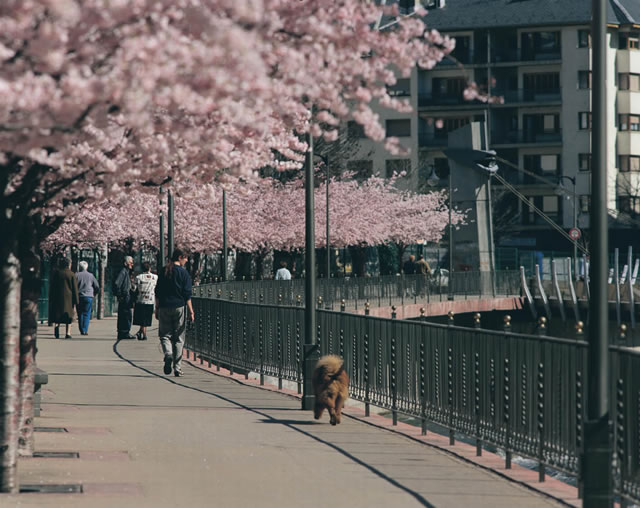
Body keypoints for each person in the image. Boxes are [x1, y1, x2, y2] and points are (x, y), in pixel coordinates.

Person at [155, 249, 194, 377]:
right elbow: (187, 294)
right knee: (179, 338)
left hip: (164, 306)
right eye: (186, 258)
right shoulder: (184, 273)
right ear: (180, 257)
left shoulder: (164, 271)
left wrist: (157, 307)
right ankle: (177, 368)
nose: (187, 261)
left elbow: (158, 291)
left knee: (165, 335)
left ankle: (168, 353)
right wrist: (191, 311)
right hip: (179, 306)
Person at [49, 258, 79, 339]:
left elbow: (52, 286)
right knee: (68, 316)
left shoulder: (57, 273)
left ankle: (56, 329)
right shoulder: (71, 274)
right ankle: (68, 333)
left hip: (57, 297)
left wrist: (51, 297)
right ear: (69, 264)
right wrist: (76, 301)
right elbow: (75, 288)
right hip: (69, 298)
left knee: (57, 314)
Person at [133, 262, 158, 341]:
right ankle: (143, 333)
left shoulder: (139, 277)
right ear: (149, 268)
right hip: (150, 300)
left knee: (142, 318)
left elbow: (134, 288)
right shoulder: (155, 277)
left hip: (140, 299)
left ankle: (143, 333)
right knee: (146, 318)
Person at [113, 255, 136, 340]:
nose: (132, 264)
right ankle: (125, 332)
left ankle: (123, 332)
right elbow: (117, 283)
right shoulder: (123, 272)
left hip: (125, 296)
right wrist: (120, 295)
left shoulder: (126, 272)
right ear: (126, 263)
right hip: (124, 296)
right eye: (130, 262)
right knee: (126, 315)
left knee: (125, 315)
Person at [75, 261, 99, 336]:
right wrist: (94, 293)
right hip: (88, 296)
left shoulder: (76, 275)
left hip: (79, 296)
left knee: (80, 313)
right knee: (87, 313)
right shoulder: (91, 275)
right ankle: (85, 329)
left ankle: (81, 329)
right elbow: (97, 286)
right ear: (87, 267)